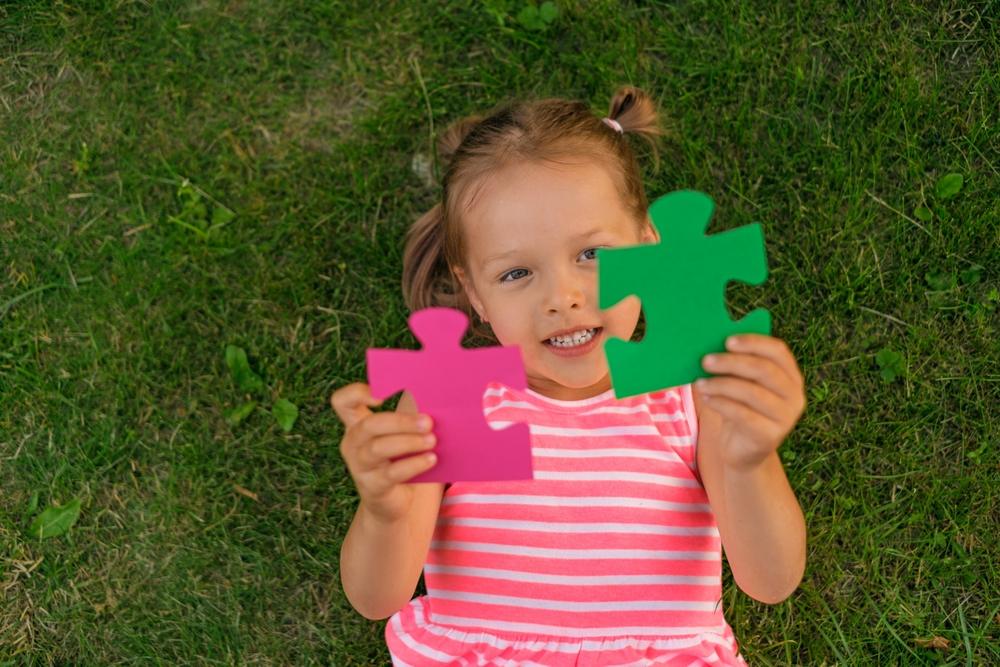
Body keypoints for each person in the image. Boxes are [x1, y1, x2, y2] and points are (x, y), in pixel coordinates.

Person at [331, 86, 807, 665]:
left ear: (649, 246)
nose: (563, 298)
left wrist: (751, 460)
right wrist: (383, 508)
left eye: (592, 256)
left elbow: (771, 581)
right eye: (516, 274)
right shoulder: (447, 394)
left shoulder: (697, 392)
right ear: (474, 293)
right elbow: (376, 598)